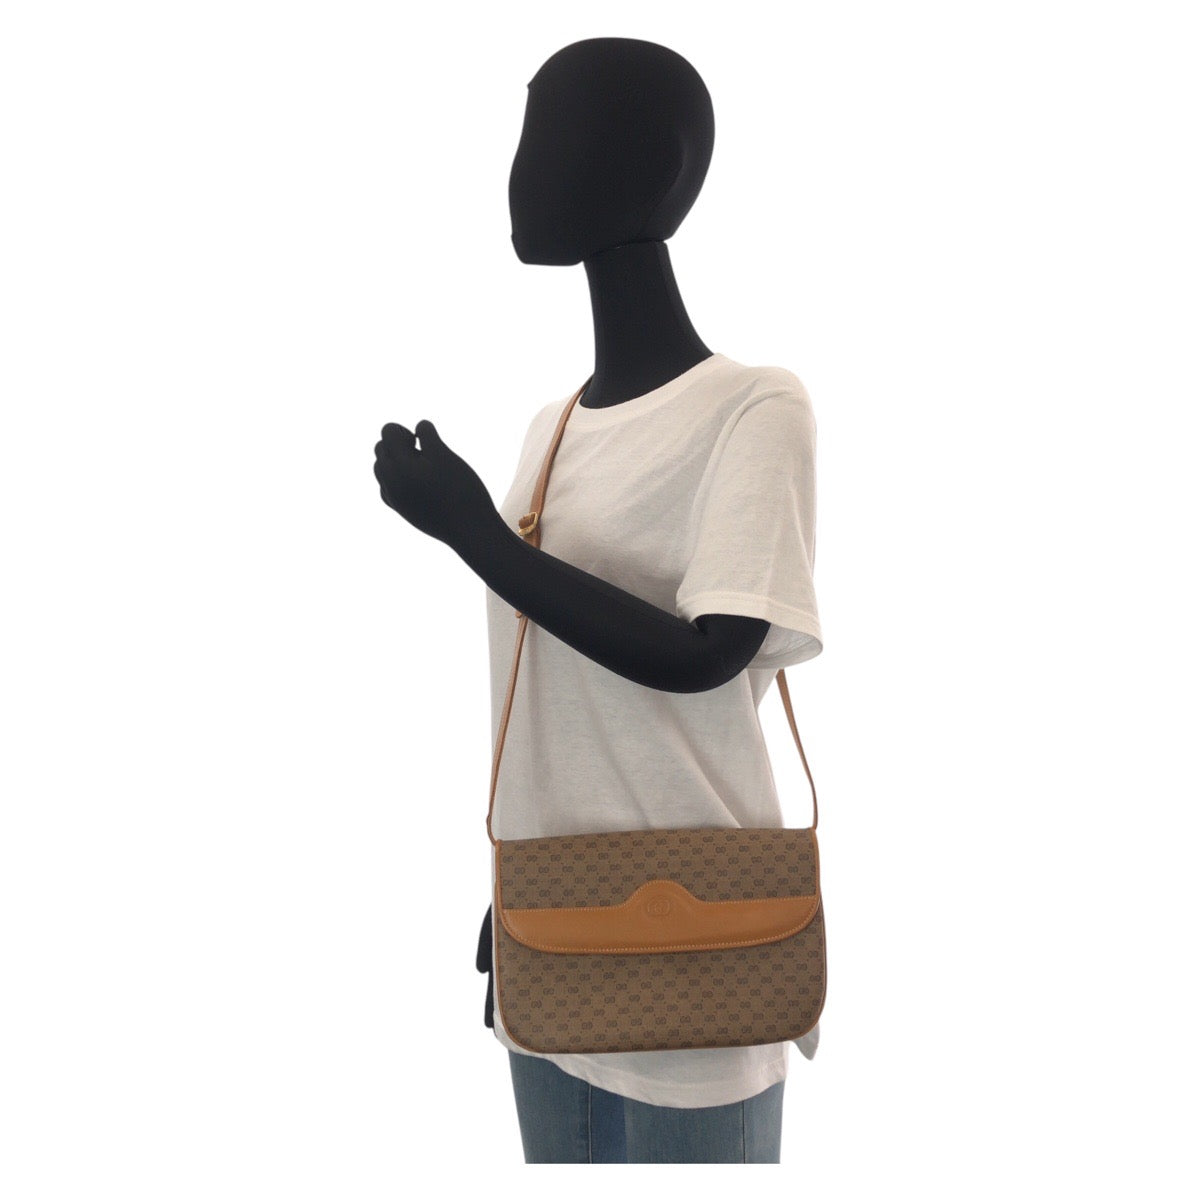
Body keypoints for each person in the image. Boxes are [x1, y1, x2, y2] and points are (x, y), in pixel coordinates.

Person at [373, 37, 823, 1163]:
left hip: (700, 938)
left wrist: (475, 535)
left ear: (658, 169)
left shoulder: (754, 407)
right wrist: (519, 881)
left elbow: (709, 653)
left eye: (549, 134)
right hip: (552, 934)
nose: (519, 171)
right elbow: (553, 687)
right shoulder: (552, 428)